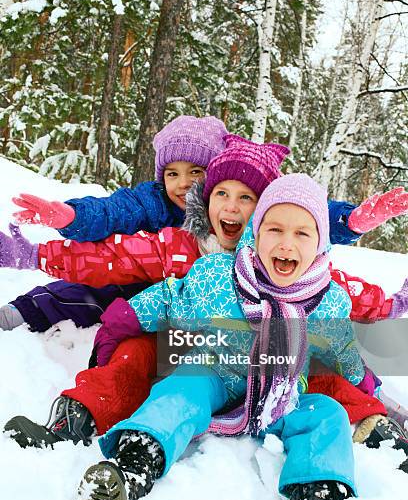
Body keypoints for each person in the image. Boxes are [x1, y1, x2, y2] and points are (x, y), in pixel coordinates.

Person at [2, 139, 407, 449]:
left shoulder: (289, 260)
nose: (231, 207)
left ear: (265, 210)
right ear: (206, 200)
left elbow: (348, 295)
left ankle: (378, 432)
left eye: (246, 197)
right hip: (193, 353)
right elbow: (111, 259)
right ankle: (76, 417)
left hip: (272, 363)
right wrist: (37, 254)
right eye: (221, 194)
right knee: (135, 355)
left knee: (322, 370)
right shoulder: (182, 245)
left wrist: (393, 306)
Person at [76, 174, 365, 500]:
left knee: (328, 414)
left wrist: (364, 380)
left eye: (302, 233)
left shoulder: (330, 300)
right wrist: (123, 320)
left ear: (321, 244)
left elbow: (343, 349)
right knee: (181, 387)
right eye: (274, 229)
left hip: (282, 392)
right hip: (214, 372)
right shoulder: (218, 277)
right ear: (256, 233)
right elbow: (170, 298)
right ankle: (136, 460)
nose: (286, 244)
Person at [0, 115, 228, 332]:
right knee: (97, 281)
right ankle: (24, 311)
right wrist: (74, 216)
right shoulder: (153, 201)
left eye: (196, 172)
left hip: (196, 311)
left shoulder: (227, 214)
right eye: (172, 174)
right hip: (142, 288)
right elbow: (113, 211)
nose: (183, 183)